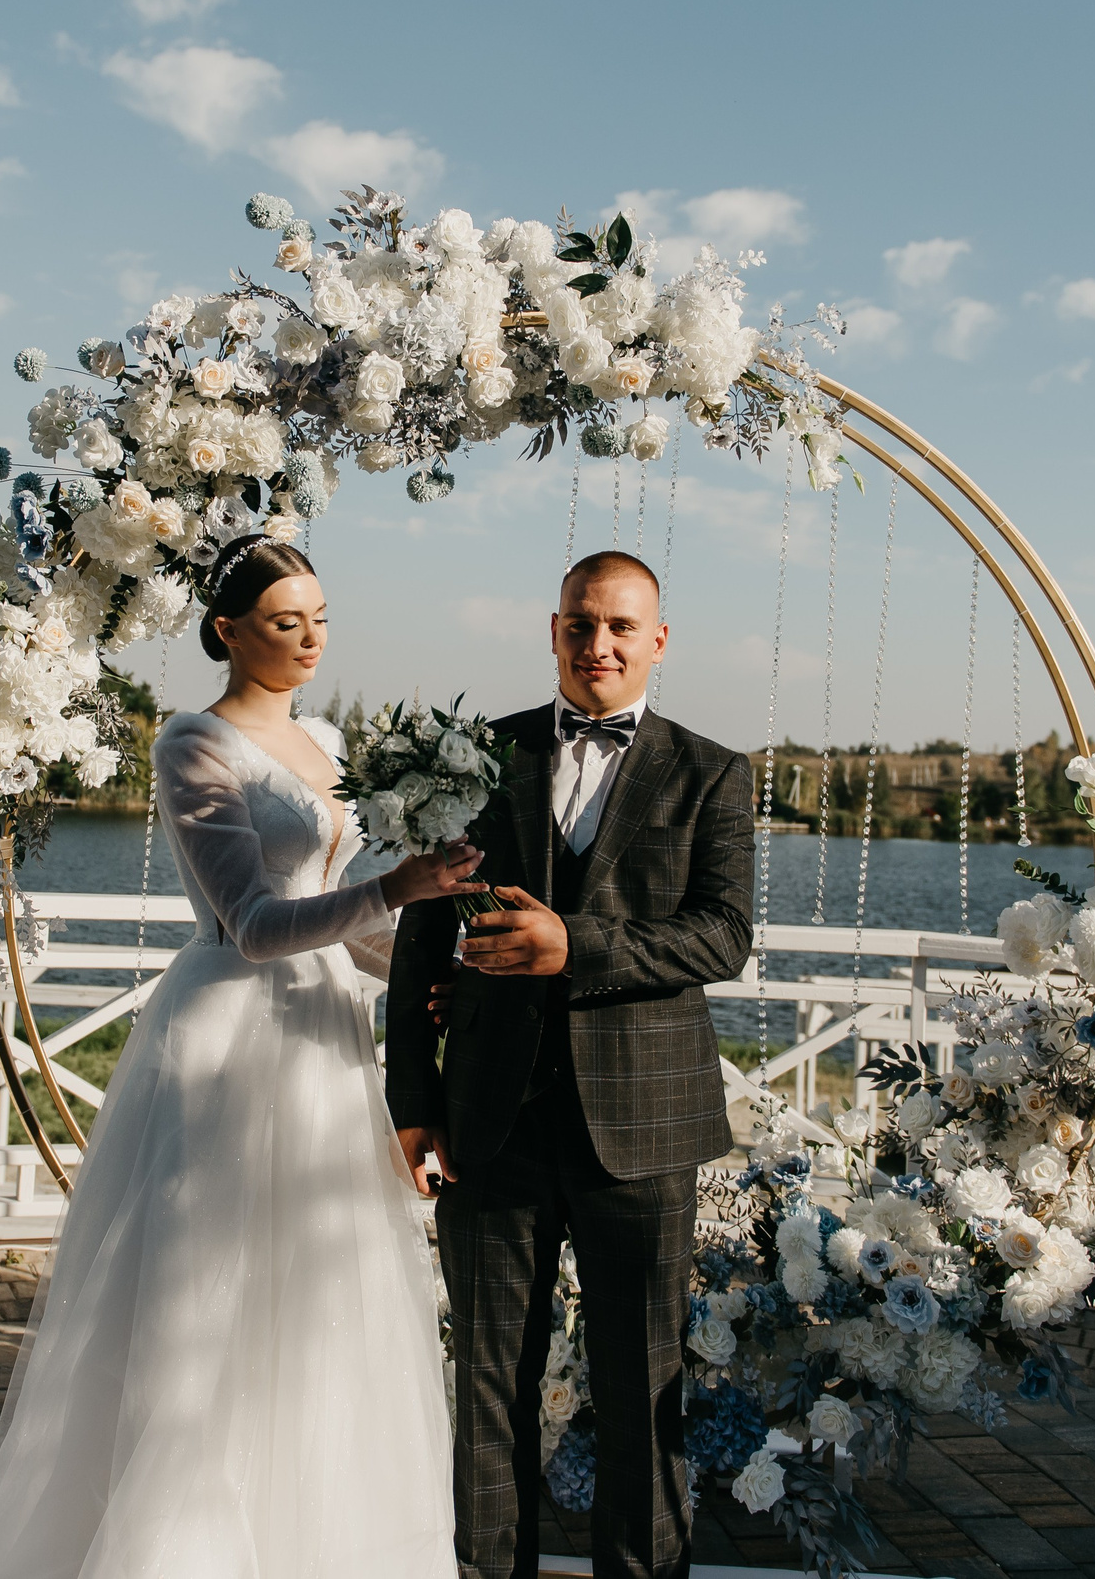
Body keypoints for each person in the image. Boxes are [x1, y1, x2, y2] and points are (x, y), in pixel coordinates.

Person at [0, 533, 481, 1579]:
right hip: (230, 1035)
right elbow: (249, 922)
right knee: (213, 1289)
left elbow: (345, 921)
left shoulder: (326, 737)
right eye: (286, 621)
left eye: (320, 616)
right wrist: (395, 891)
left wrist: (415, 974)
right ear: (228, 630)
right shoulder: (193, 741)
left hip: (322, 1037)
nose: (310, 637)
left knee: (325, 1287)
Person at [386, 550, 756, 1579]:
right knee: (488, 1389)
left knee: (643, 1391)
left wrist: (573, 946)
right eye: (581, 624)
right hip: (488, 1121)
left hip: (644, 1128)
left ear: (657, 640)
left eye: (620, 627)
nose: (599, 644)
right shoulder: (472, 758)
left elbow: (723, 935)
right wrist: (412, 1097)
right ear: (553, 631)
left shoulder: (714, 772)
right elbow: (422, 936)